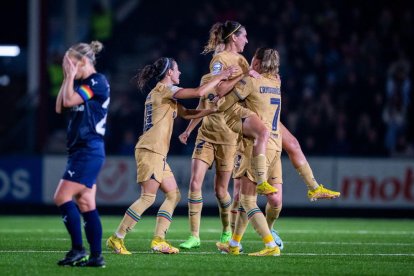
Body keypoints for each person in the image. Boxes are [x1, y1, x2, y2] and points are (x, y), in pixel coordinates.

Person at [106, 57, 234, 254]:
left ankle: (159, 240)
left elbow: (188, 113)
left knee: (174, 195)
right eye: (177, 70)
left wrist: (212, 109)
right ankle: (117, 237)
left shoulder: (161, 94)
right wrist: (221, 76)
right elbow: (199, 92)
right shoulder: (165, 90)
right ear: (169, 73)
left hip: (156, 152)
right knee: (148, 198)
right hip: (151, 150)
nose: (180, 73)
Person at [178, 21, 275, 250]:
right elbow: (216, 90)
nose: (247, 41)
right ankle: (194, 235)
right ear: (234, 38)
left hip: (230, 135)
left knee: (221, 191)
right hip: (208, 132)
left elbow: (246, 90)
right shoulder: (220, 61)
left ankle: (226, 230)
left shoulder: (242, 61)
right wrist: (189, 130)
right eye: (245, 36)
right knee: (194, 182)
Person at [216, 47, 284, 256]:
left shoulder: (252, 81)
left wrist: (220, 100)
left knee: (247, 200)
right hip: (274, 144)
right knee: (246, 197)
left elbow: (222, 99)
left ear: (256, 63)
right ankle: (234, 244)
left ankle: (270, 245)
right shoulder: (276, 82)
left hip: (253, 145)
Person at [54, 41, 108, 267]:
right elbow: (60, 107)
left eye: (70, 63)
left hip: (89, 149)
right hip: (81, 149)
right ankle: (96, 257)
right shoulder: (84, 84)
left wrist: (68, 77)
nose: (67, 67)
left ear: (83, 62)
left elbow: (67, 101)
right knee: (86, 203)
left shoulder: (96, 81)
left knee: (61, 197)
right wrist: (68, 77)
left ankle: (78, 249)